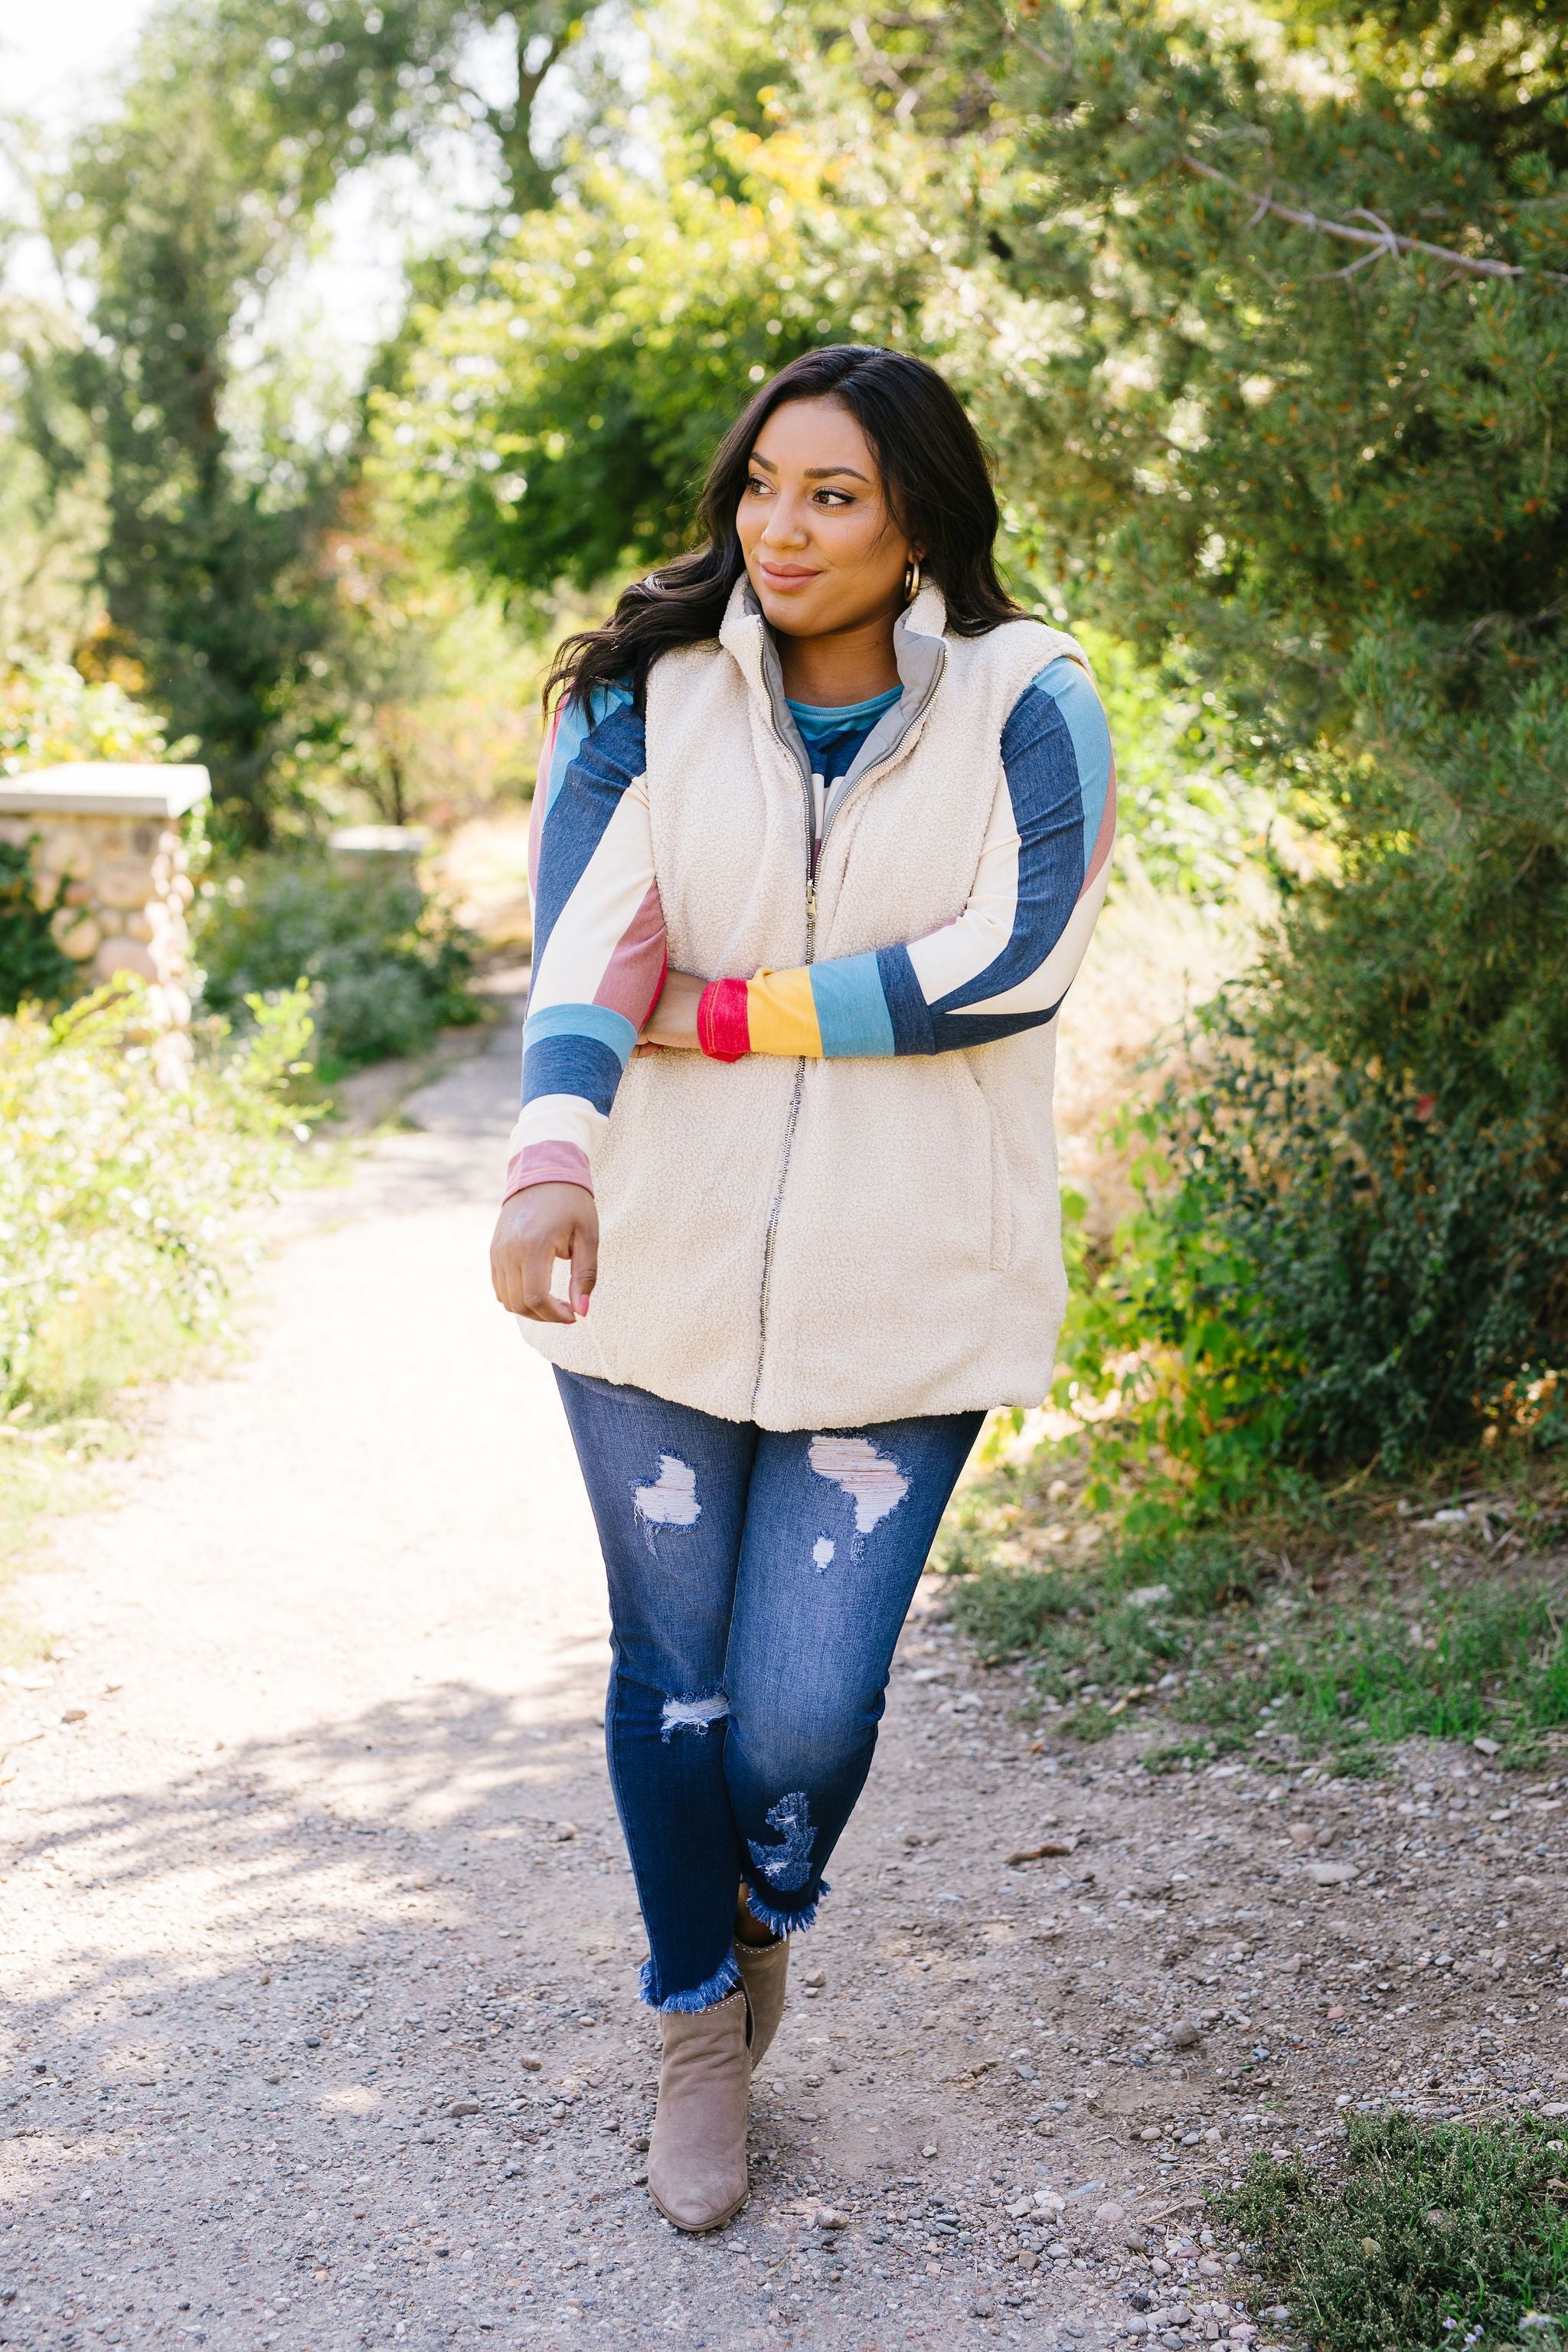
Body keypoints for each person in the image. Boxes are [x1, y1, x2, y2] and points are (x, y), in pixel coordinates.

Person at [489, 344, 1115, 2233]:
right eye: (764, 484)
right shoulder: (648, 697)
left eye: (833, 494)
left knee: (803, 1725)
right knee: (673, 1686)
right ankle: (698, 2029)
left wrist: (737, 1012)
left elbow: (1016, 955)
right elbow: (592, 942)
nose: (782, 526)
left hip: (906, 1287)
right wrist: (548, 1155)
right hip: (659, 1277)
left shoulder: (1031, 694)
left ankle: (762, 1915)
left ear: (920, 511)